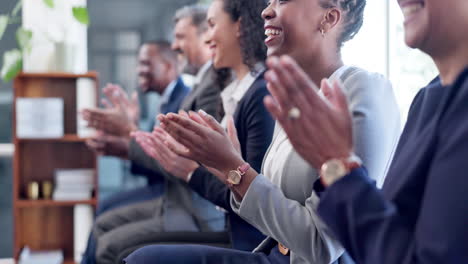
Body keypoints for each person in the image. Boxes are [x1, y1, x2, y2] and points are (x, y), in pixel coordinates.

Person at [126, 0, 400, 264]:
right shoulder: (293, 96)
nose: (266, 11)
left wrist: (235, 169)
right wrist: (229, 172)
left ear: (329, 18)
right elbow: (271, 212)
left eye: (282, 0)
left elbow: (322, 246)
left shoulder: (363, 90)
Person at [255, 0, 468, 263]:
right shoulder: (427, 99)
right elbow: (392, 237)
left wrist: (337, 166)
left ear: (330, 18)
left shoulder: (364, 89)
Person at [131, 0, 272, 252]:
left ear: (239, 27)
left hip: (247, 240)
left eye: (212, 25)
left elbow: (252, 198)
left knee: (136, 253)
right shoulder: (235, 93)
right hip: (231, 228)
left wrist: (191, 171)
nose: (207, 38)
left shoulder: (258, 95)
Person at [80, 40, 191, 264]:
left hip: (172, 193)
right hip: (163, 187)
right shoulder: (163, 102)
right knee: (105, 208)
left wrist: (129, 134)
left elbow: (167, 164)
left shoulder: (183, 101)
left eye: (146, 64)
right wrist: (124, 144)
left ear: (168, 66)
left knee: (107, 219)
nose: (140, 70)